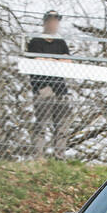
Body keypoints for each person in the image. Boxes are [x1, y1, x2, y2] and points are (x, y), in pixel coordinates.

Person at [27, 10, 71, 158]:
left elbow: (68, 62)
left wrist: (50, 60)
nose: (53, 24)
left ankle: (60, 156)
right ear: (45, 22)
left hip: (60, 88)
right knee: (42, 123)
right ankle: (38, 156)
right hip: (43, 87)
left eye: (56, 21)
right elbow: (38, 61)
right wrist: (55, 61)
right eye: (51, 21)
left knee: (63, 123)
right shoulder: (36, 42)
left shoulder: (60, 42)